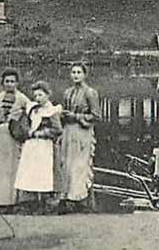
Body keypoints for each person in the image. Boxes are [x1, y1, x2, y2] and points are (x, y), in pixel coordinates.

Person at [0, 68, 30, 211]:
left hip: (14, 137)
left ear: (17, 83)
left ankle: (14, 202)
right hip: (0, 135)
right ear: (3, 83)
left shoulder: (22, 98)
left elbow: (31, 115)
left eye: (12, 81)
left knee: (13, 168)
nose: (10, 84)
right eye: (7, 81)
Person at [57, 63, 100, 214]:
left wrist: (76, 116)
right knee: (66, 164)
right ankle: (67, 197)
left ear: (84, 74)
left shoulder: (90, 93)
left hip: (82, 132)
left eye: (78, 72)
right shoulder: (67, 92)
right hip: (68, 132)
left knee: (80, 166)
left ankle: (81, 199)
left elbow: (95, 116)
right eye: (73, 72)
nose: (75, 75)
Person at [14, 80, 63, 213]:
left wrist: (42, 133)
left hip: (44, 146)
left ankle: (47, 203)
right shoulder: (32, 109)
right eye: (36, 96)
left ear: (47, 95)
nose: (38, 98)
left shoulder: (51, 111)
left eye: (41, 95)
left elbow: (58, 129)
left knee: (44, 173)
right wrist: (28, 131)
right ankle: (32, 202)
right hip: (32, 145)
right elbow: (24, 123)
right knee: (31, 172)